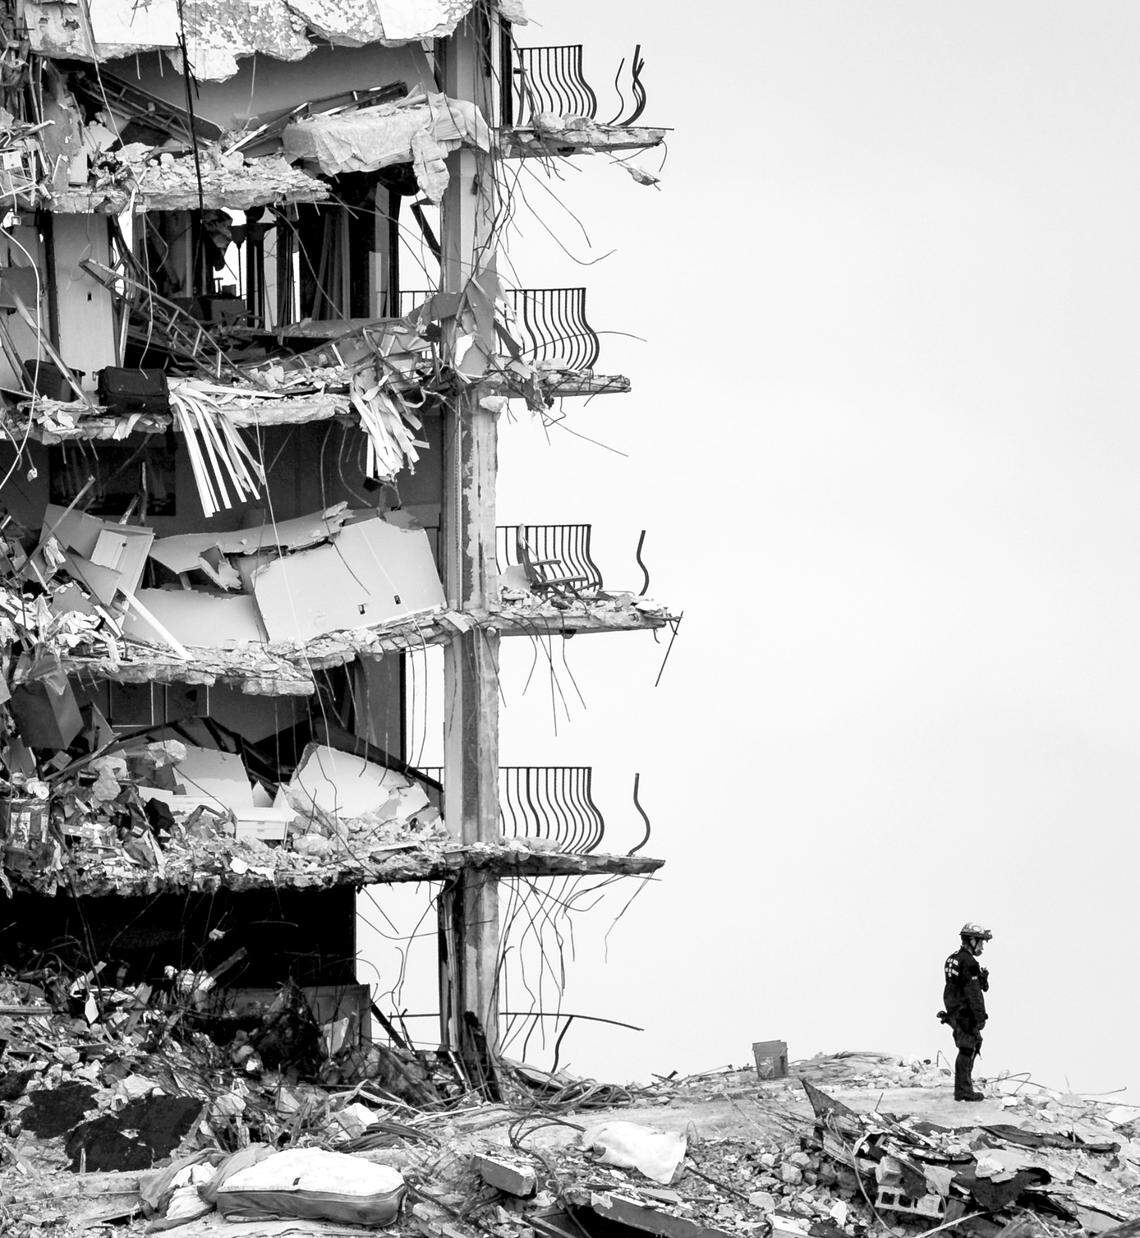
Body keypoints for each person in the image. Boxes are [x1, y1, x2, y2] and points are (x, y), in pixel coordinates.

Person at [939, 923, 992, 1102]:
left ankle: (964, 1087)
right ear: (971, 940)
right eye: (981, 942)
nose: (982, 947)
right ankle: (963, 1091)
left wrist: (982, 979)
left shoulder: (953, 958)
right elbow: (973, 992)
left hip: (954, 1009)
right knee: (967, 1048)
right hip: (964, 1011)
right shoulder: (969, 962)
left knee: (972, 1043)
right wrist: (979, 1016)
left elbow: (958, 985)